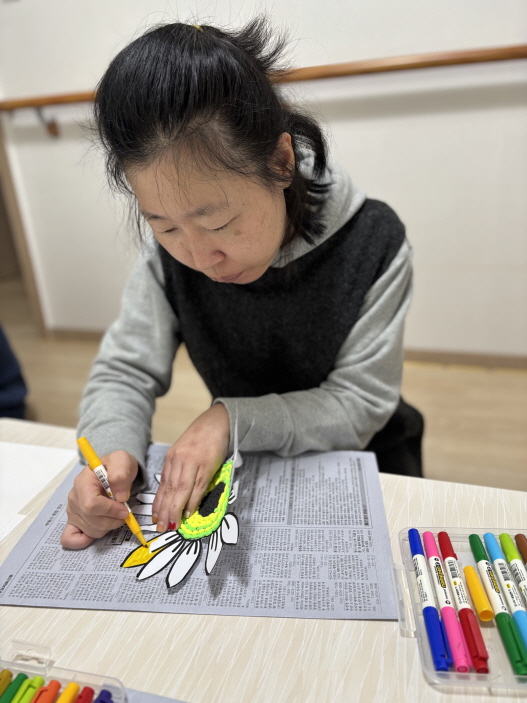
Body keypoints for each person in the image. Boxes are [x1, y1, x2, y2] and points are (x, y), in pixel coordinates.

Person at [61, 18, 424, 550]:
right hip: (243, 475)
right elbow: (125, 369)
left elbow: (360, 404)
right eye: (165, 227)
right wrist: (112, 455)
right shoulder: (169, 257)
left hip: (366, 464)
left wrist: (229, 420)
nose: (199, 258)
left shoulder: (374, 242)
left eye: (219, 224)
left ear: (281, 162)